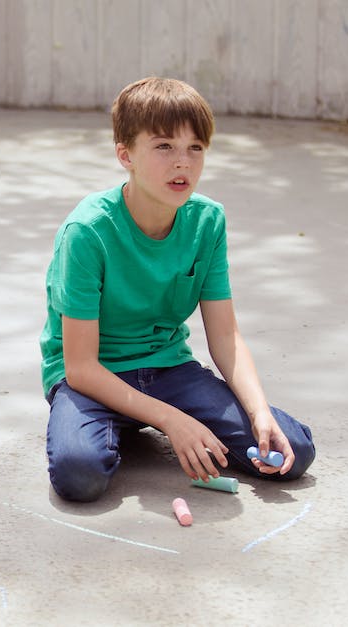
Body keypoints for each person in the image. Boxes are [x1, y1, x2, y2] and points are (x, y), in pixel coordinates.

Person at [39, 77, 316, 502]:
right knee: (81, 474)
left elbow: (225, 335)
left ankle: (132, 421)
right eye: (164, 146)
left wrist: (260, 411)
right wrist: (172, 421)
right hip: (93, 377)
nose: (182, 163)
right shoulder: (87, 231)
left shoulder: (208, 221)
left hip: (169, 370)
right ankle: (119, 424)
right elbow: (81, 367)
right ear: (125, 154)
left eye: (195, 148)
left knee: (290, 452)